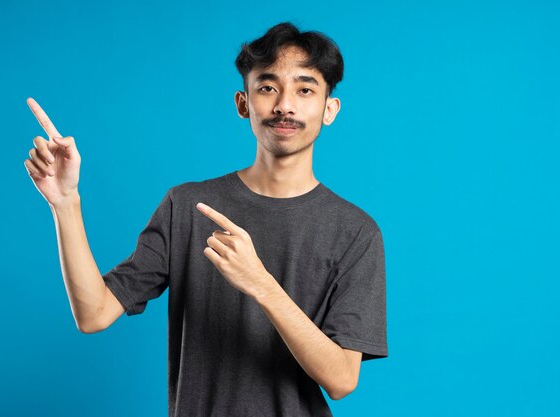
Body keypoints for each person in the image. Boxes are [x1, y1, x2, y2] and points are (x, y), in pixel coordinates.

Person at [24, 21, 388, 417]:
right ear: (243, 103)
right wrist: (65, 202)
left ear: (329, 109)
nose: (285, 104)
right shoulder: (188, 206)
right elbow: (93, 314)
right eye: (268, 87)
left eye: (305, 89)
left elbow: (341, 380)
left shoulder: (355, 231)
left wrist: (262, 284)